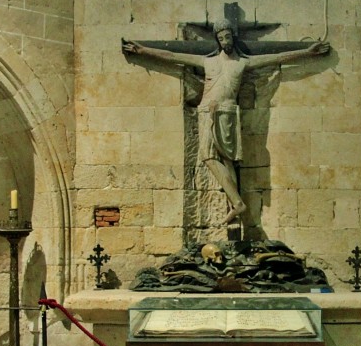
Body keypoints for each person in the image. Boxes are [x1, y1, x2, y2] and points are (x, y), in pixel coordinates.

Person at [123, 20, 329, 224]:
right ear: (217, 40)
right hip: (207, 112)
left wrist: (307, 52)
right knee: (217, 158)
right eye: (221, 38)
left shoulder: (242, 63)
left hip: (227, 113)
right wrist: (143, 51)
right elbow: (174, 56)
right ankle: (235, 203)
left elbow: (276, 57)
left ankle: (236, 203)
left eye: (227, 37)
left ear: (233, 37)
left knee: (218, 157)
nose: (224, 41)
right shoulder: (208, 62)